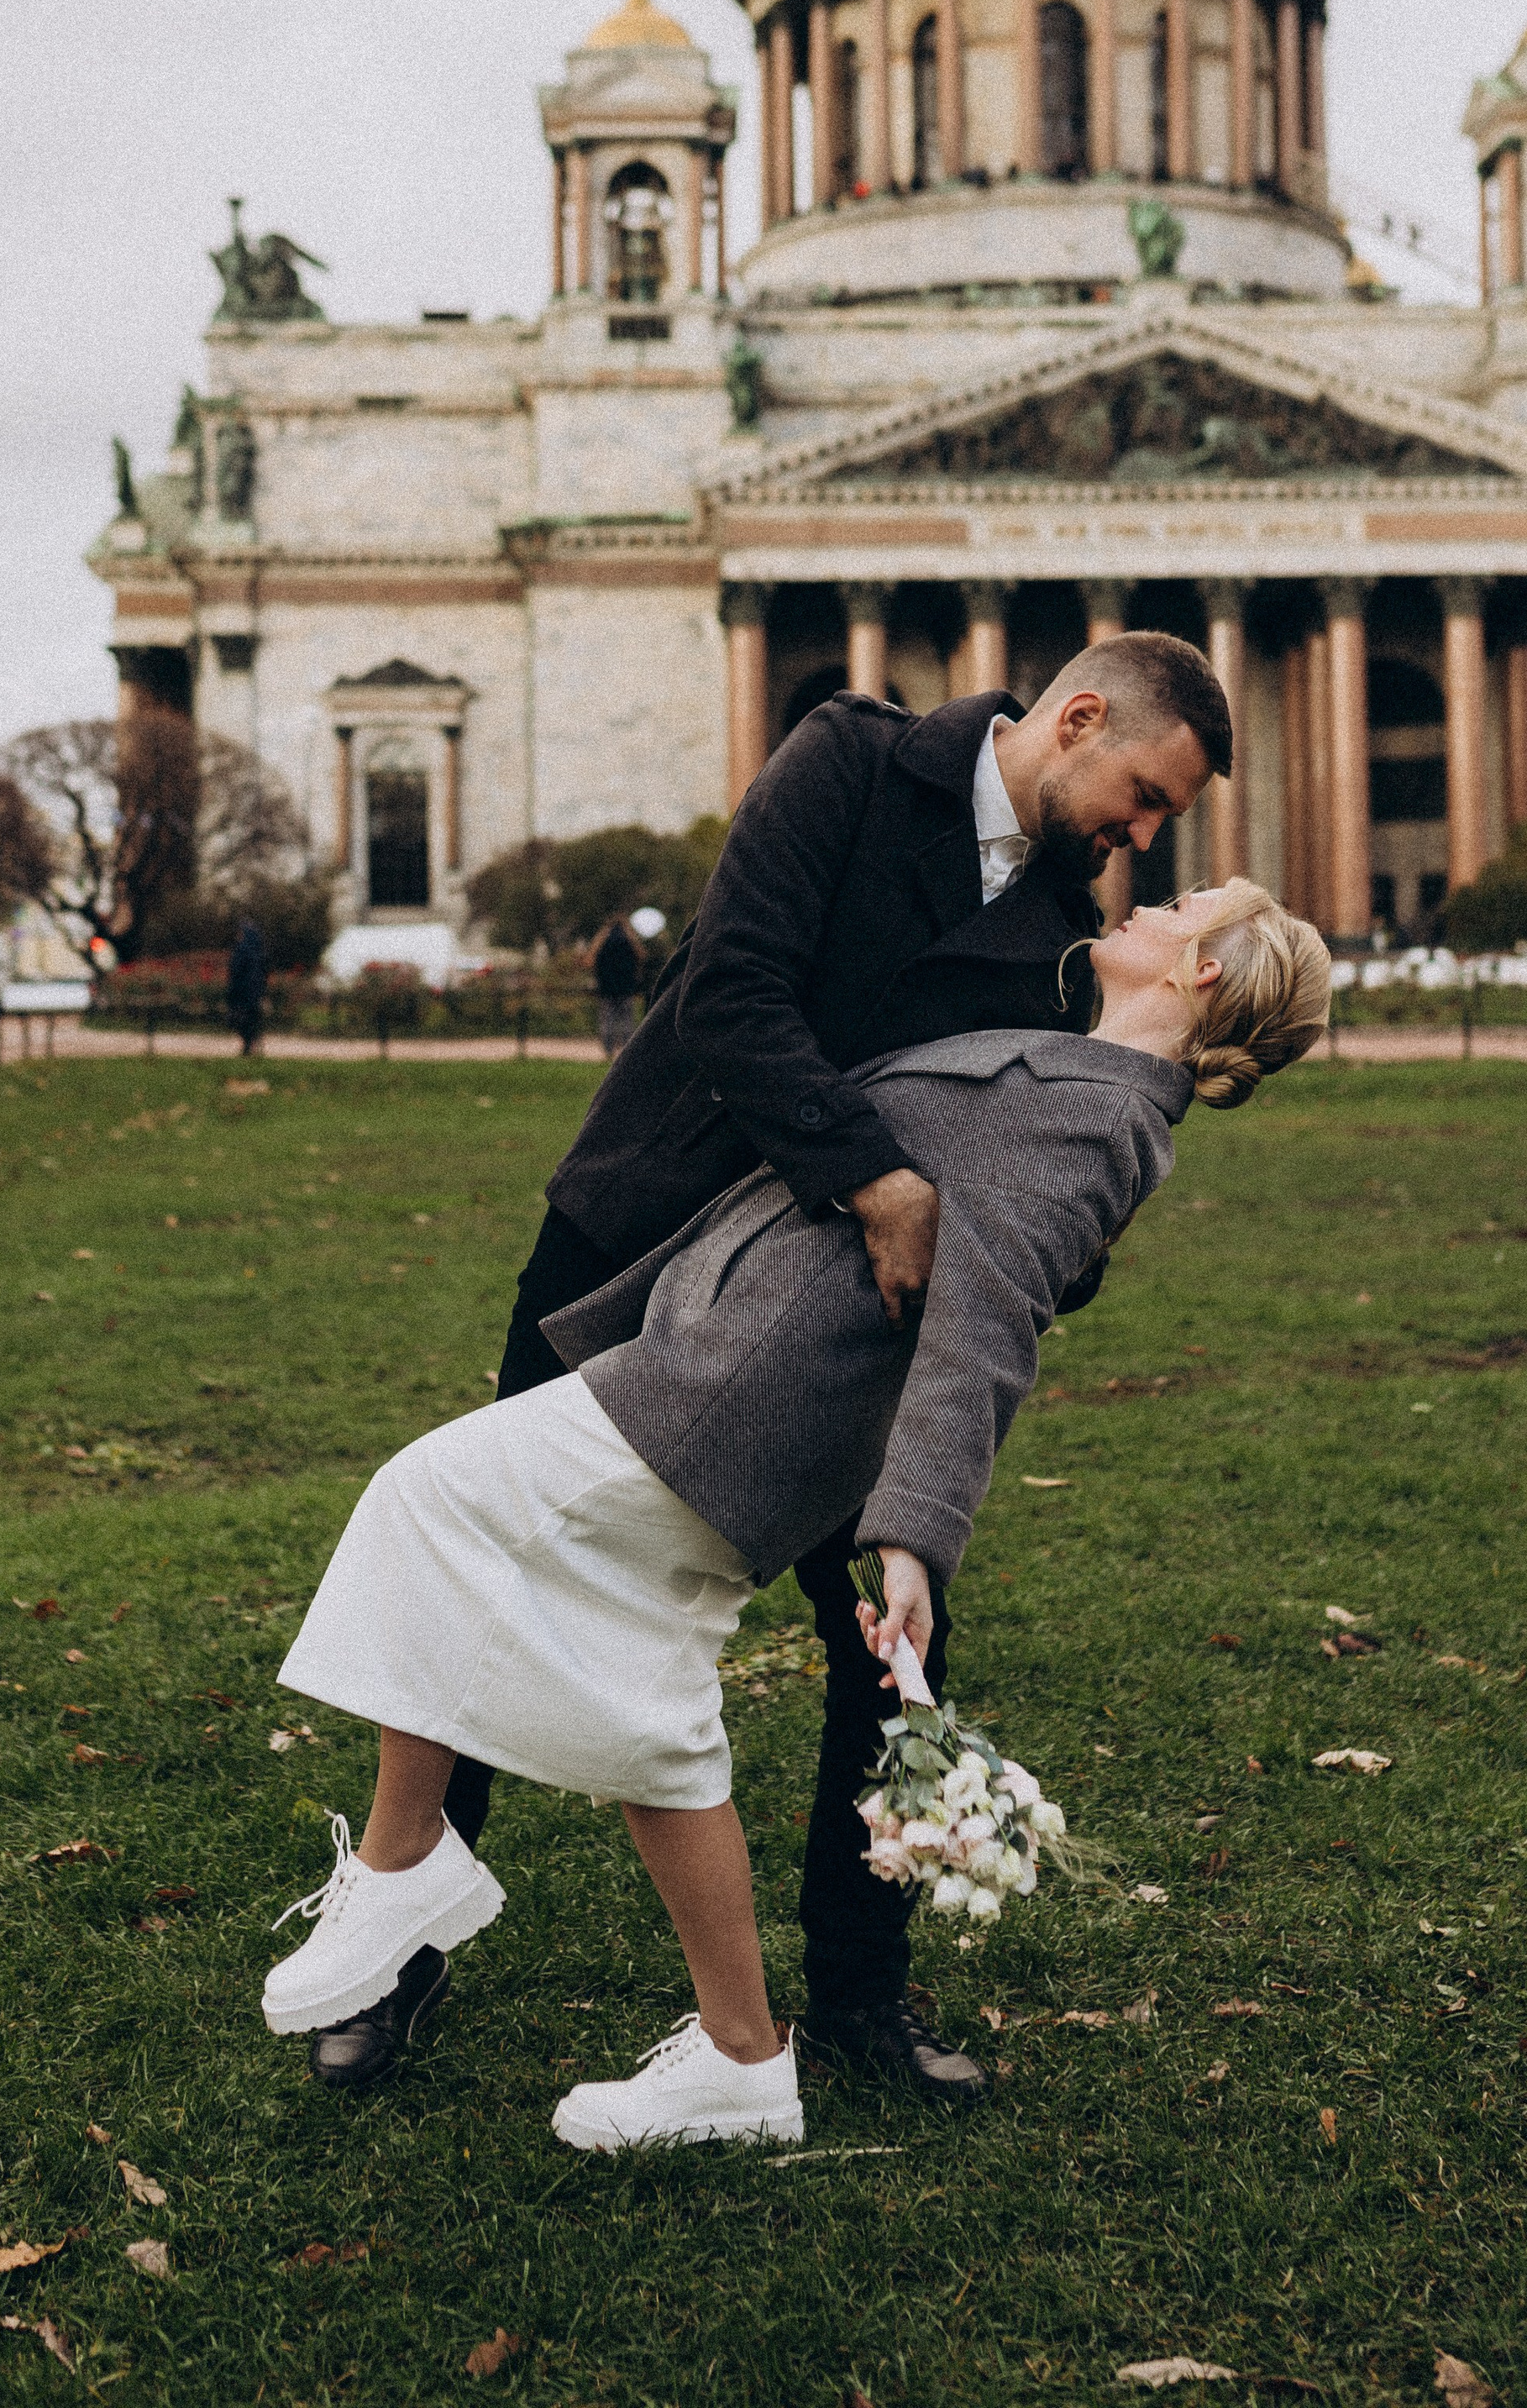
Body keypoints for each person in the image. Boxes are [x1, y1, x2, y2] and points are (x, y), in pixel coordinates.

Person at [309, 632, 1230, 2105]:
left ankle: (860, 1993)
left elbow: (1024, 1187)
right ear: (1076, 719)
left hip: (826, 1341)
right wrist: (879, 1180)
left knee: (889, 1650)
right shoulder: (849, 761)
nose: (1143, 835)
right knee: (484, 1559)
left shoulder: (1068, 935)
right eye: (1145, 795)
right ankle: (396, 1949)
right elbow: (733, 993)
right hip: (636, 1229)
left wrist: (1047, 1239)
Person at [590, 915, 644, 1058]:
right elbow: (641, 957)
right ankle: (627, 1052)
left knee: (607, 1021)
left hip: (607, 988)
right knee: (627, 1021)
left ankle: (608, 1051)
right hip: (626, 988)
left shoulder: (603, 943)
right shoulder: (629, 942)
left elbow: (591, 960)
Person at [227, 917, 270, 1055]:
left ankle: (248, 1045)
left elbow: (236, 970)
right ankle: (252, 1043)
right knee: (252, 1020)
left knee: (241, 1019)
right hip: (254, 992)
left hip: (243, 991)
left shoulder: (242, 951)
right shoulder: (259, 952)